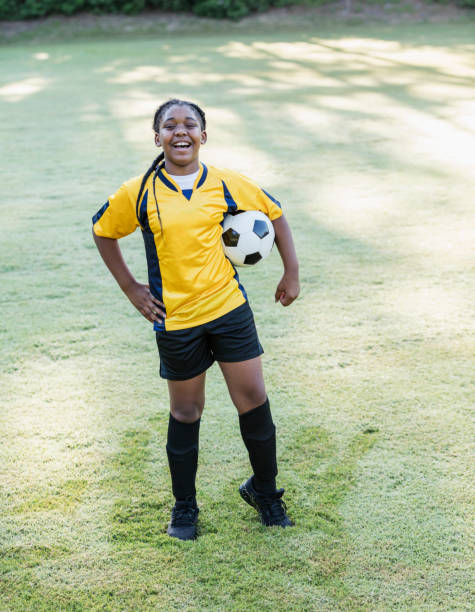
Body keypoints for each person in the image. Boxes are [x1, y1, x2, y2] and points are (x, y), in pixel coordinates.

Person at [92, 99, 300, 541]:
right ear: (157, 137)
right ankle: (185, 507)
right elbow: (103, 230)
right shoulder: (139, 191)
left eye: (191, 125)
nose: (180, 131)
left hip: (228, 310)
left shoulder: (226, 183)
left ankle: (266, 492)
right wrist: (132, 288)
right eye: (170, 125)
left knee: (253, 400)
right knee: (186, 411)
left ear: (204, 136)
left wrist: (291, 271)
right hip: (177, 319)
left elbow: (275, 213)